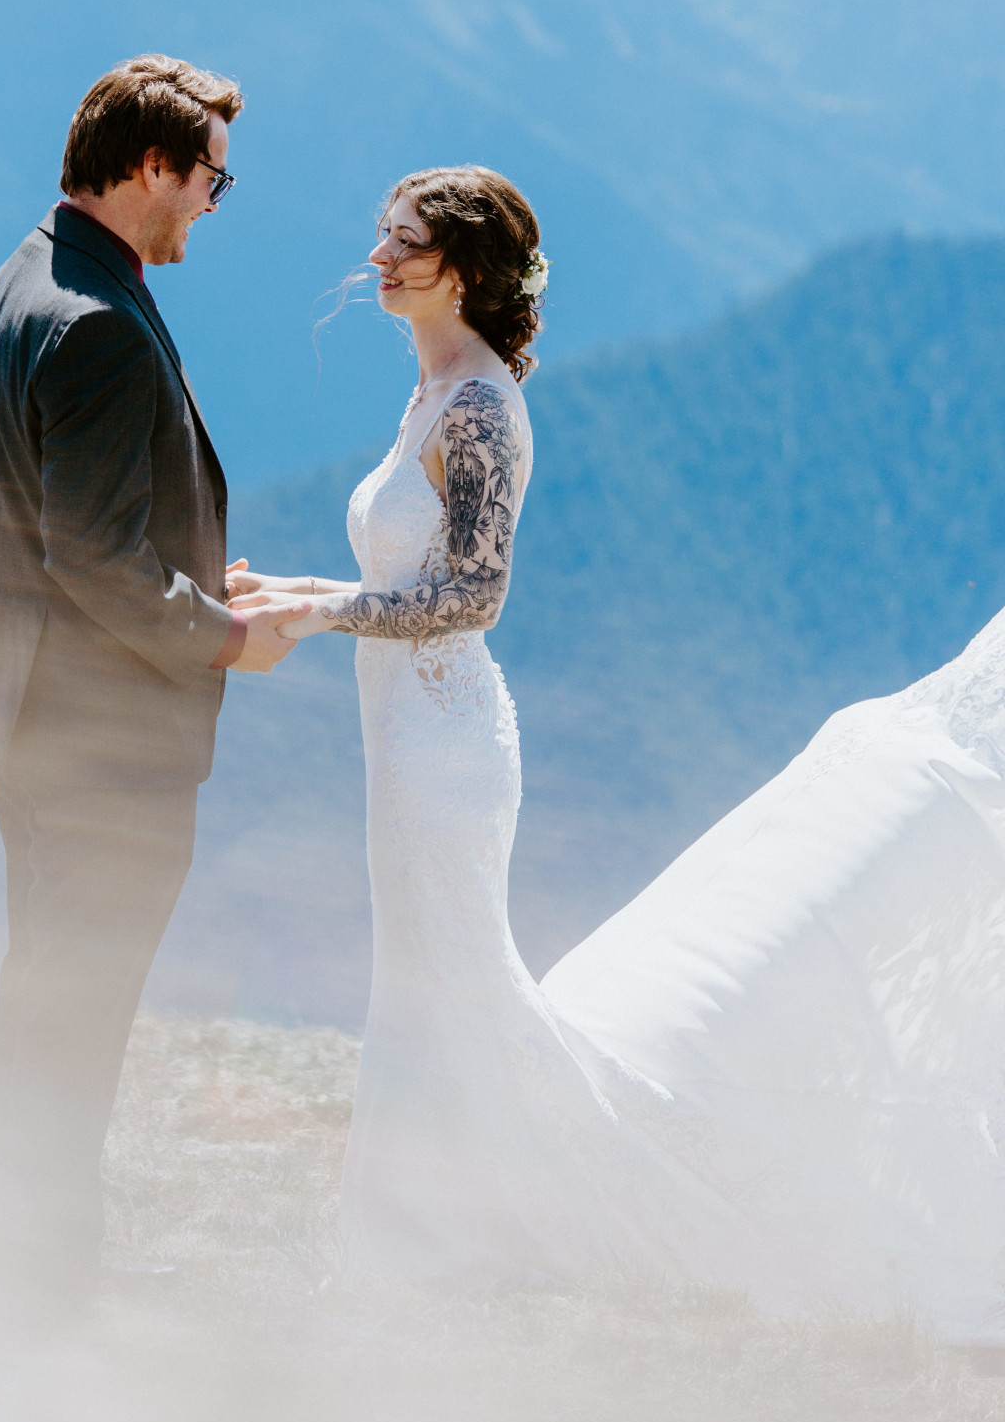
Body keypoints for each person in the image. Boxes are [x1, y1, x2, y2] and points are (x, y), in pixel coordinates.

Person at [235, 165, 1005, 1344]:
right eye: (381, 237)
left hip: (444, 751)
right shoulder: (432, 391)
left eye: (405, 244)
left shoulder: (482, 407)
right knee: (424, 986)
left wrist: (319, 615)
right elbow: (403, 570)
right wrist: (288, 591)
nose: (377, 260)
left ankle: (448, 1237)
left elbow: (472, 596)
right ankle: (436, 1225)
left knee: (448, 986)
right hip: (404, 739)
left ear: (469, 271)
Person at [0, 53, 296, 1313]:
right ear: (151, 166)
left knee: (45, 997)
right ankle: (41, 1294)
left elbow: (68, 519)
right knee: (75, 1016)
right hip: (102, 747)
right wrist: (220, 638)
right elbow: (90, 554)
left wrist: (200, 575)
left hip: (29, 722)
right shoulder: (96, 323)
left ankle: (22, 1269)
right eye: (209, 176)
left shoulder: (21, 281)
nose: (211, 200)